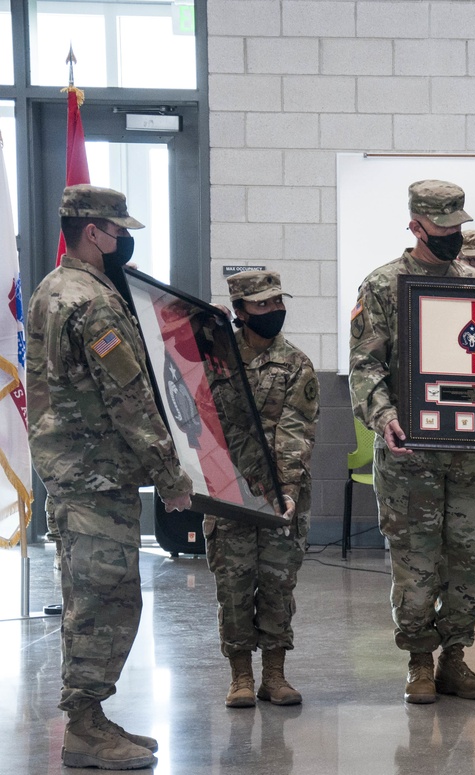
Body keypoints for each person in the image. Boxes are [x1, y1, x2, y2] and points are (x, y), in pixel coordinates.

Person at [26, 184, 194, 769]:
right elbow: (128, 398)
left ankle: (90, 716)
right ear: (93, 232)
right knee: (107, 601)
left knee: (88, 597)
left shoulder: (53, 288)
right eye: (119, 231)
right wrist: (171, 476)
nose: (124, 240)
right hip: (96, 477)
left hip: (72, 474)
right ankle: (85, 727)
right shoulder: (91, 302)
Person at [349, 180, 475, 704]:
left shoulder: (474, 283)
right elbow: (365, 367)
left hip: (468, 452)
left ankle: (455, 660)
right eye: (442, 229)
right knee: (416, 563)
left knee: (468, 559)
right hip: (409, 453)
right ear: (416, 226)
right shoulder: (382, 285)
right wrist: (384, 415)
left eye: (457, 227)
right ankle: (420, 661)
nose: (451, 237)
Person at [205, 270, 319, 708]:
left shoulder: (296, 364)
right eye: (262, 305)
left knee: (277, 585)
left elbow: (295, 430)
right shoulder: (215, 358)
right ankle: (240, 677)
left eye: (277, 302)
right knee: (233, 587)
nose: (274, 311)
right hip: (227, 492)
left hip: (280, 494)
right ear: (239, 312)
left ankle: (274, 674)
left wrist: (287, 488)